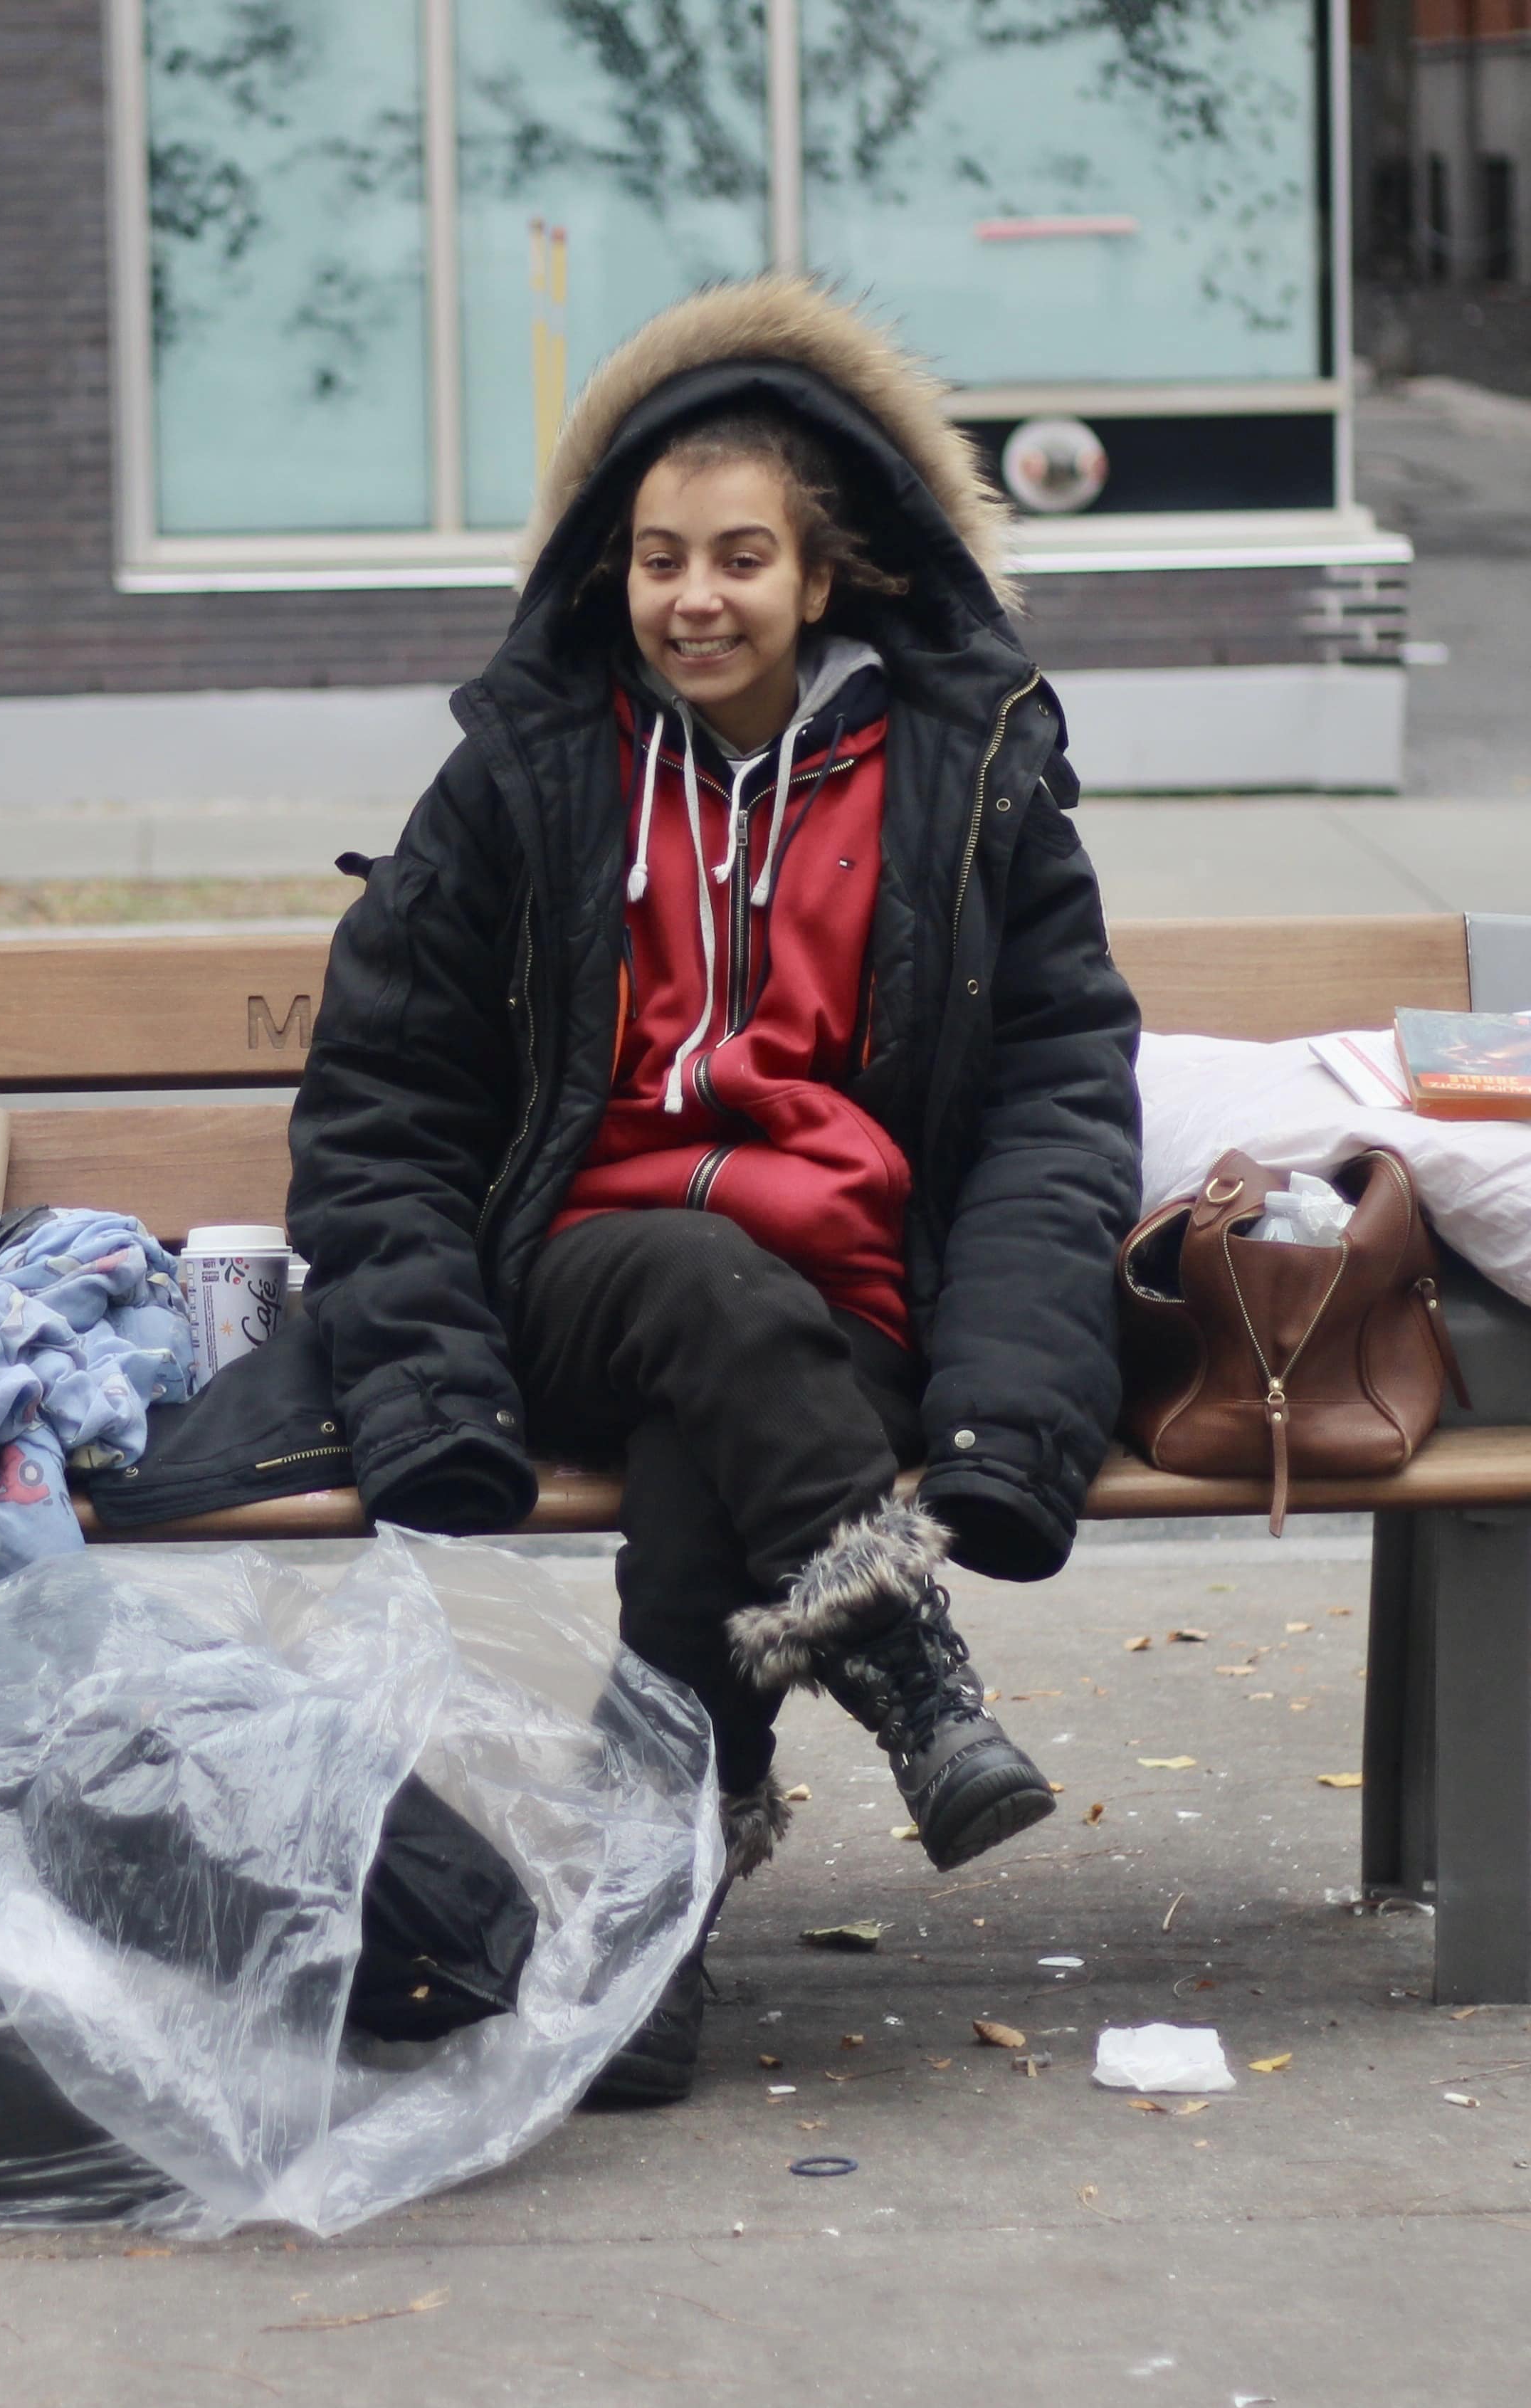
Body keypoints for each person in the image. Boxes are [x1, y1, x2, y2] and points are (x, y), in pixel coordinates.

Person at [283, 276, 1143, 2096]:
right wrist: (429, 1372)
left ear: (821, 578)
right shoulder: (530, 772)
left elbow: (1064, 1097)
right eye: (662, 557)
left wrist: (1009, 1407)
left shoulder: (962, 775)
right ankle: (903, 1658)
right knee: (696, 1283)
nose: (696, 596)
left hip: (847, 1311)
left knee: (714, 1447)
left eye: (741, 557)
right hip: (587, 1269)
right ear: (618, 571)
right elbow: (383, 1093)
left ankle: (645, 1917)